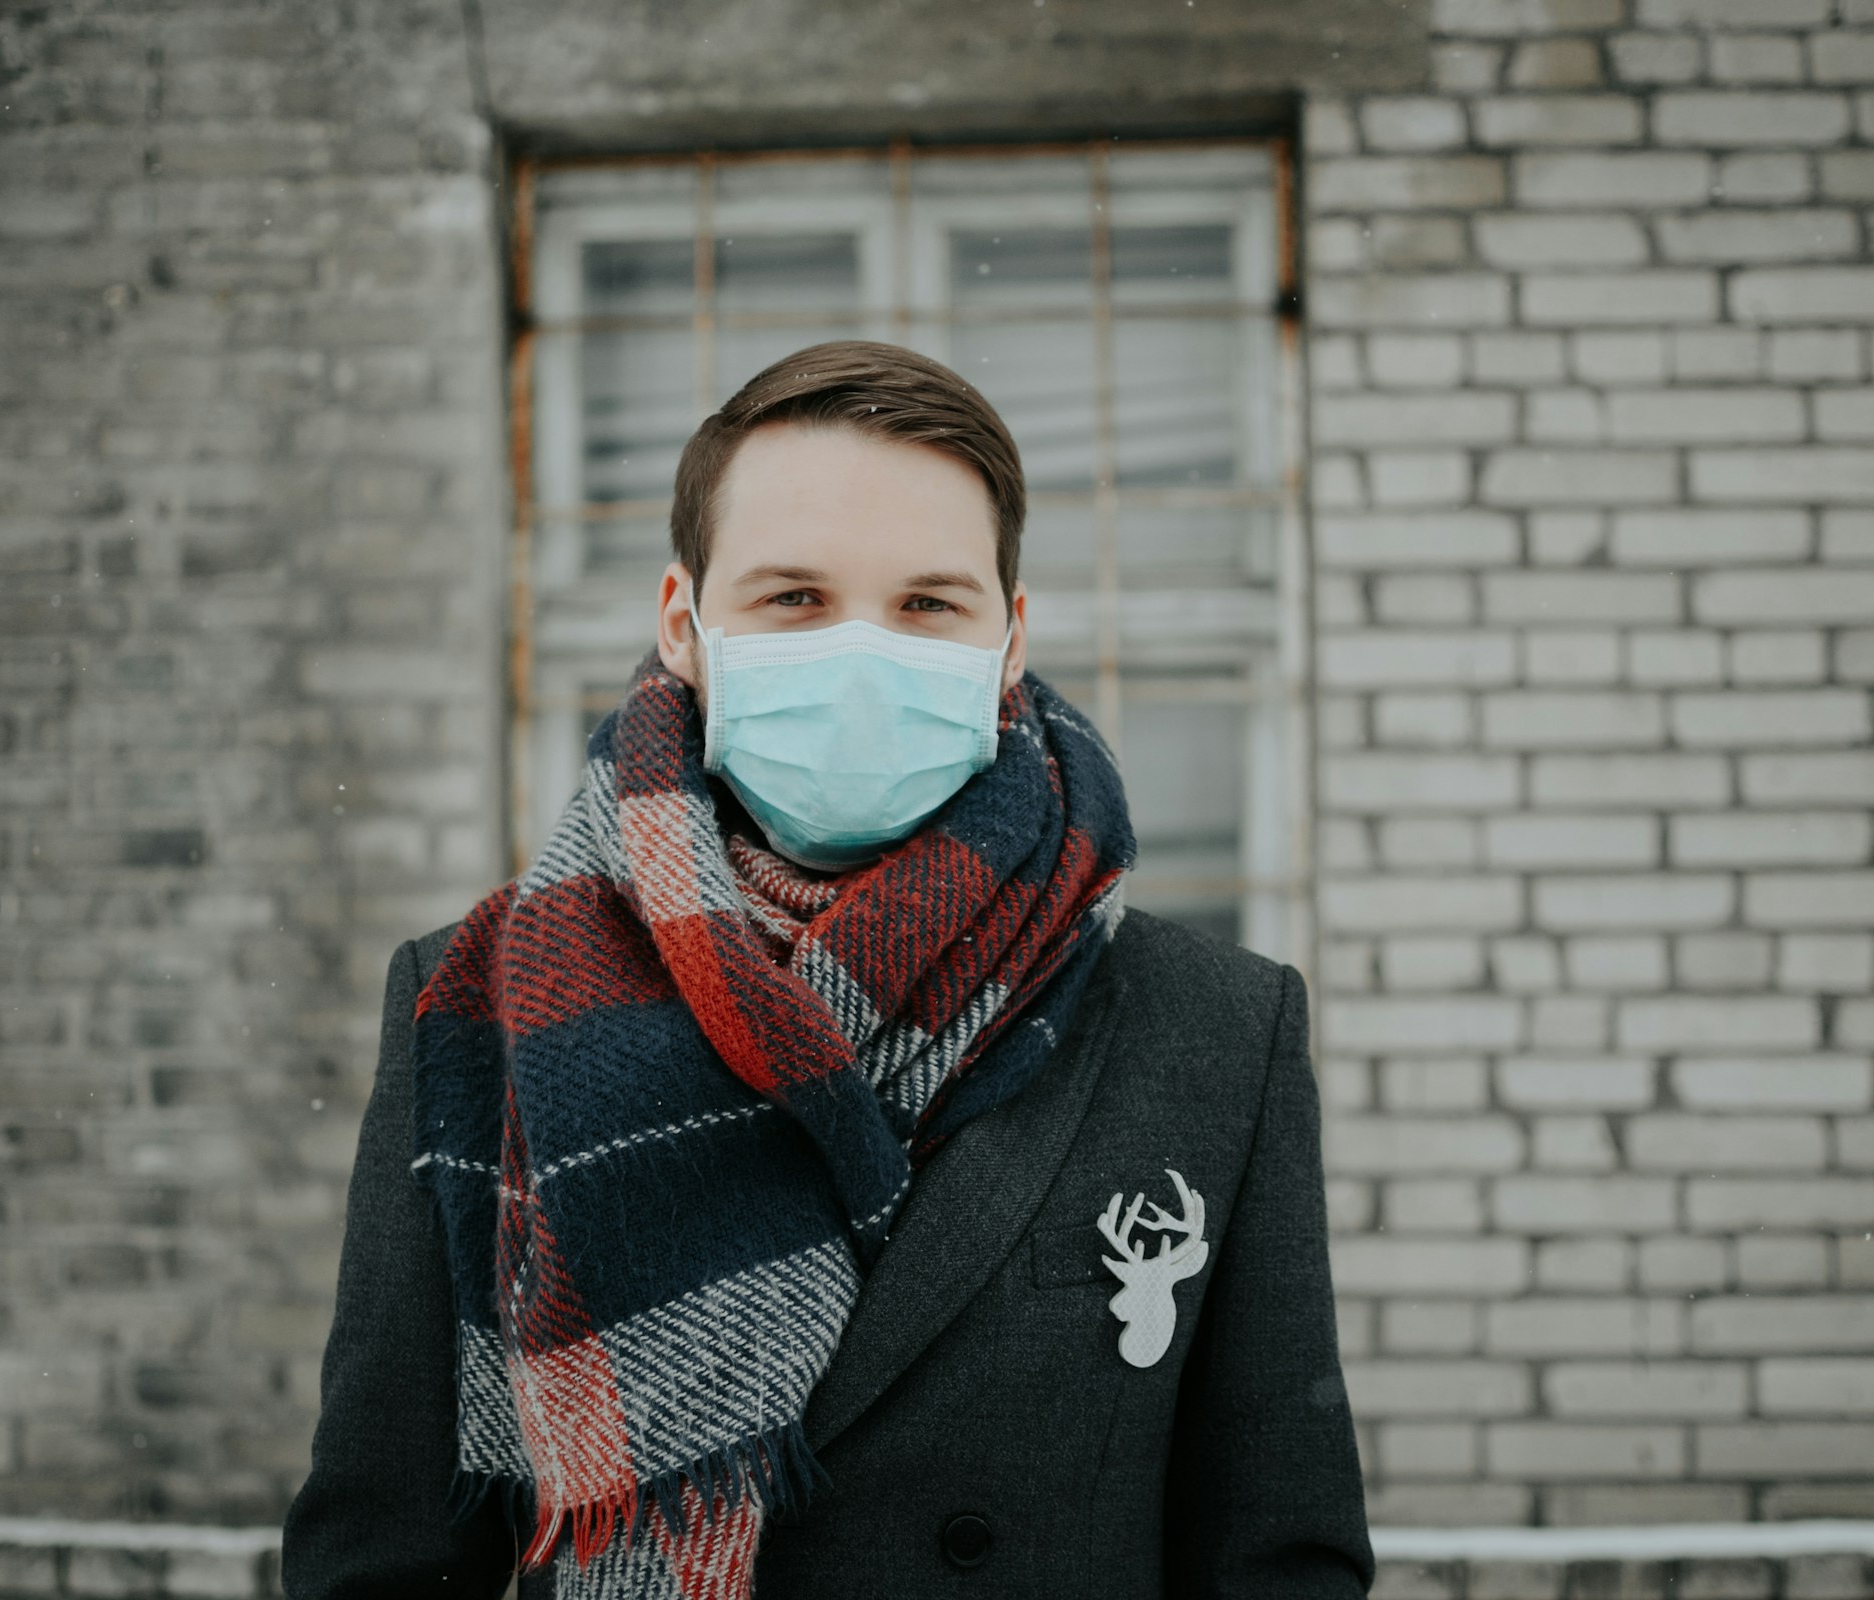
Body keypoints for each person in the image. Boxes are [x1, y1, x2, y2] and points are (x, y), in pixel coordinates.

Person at [281, 340, 1372, 1600]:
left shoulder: (1216, 1030)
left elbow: (1279, 1557)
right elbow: (382, 1558)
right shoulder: (475, 1005)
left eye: (928, 604)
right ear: (685, 628)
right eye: (793, 598)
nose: (864, 654)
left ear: (1008, 640)